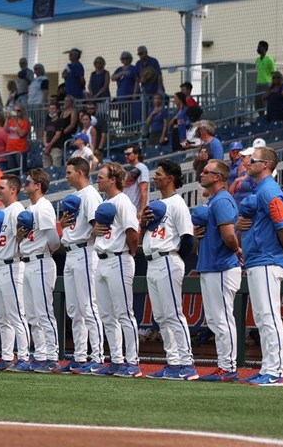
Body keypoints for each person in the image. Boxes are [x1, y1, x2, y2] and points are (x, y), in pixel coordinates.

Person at [236, 146, 283, 386]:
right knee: (262, 317)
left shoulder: (270, 190)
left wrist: (282, 248)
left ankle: (276, 372)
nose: (248, 164)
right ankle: (267, 368)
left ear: (266, 165)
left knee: (269, 316)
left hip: (268, 259)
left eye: (253, 161)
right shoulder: (260, 190)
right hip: (259, 259)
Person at [140, 161, 196, 380]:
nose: (155, 177)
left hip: (167, 260)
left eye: (159, 174)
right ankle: (173, 363)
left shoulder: (177, 203)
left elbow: (188, 239)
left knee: (173, 314)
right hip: (153, 262)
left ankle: (187, 363)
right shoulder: (158, 203)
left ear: (170, 178)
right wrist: (144, 225)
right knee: (161, 316)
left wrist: (174, 260)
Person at [194, 159, 242, 382]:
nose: (201, 174)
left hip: (222, 267)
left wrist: (238, 250)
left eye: (206, 171)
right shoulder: (214, 201)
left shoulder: (222, 199)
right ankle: (225, 365)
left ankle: (229, 367)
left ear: (217, 177)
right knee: (215, 320)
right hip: (212, 267)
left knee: (222, 319)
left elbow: (229, 235)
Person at [57, 158, 106, 373]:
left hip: (85, 251)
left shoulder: (90, 195)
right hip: (70, 252)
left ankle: (97, 356)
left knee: (88, 306)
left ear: (80, 172)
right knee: (74, 309)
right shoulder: (75, 196)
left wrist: (90, 237)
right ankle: (79, 356)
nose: (66, 176)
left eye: (69, 172)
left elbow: (99, 225)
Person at [93, 163, 141, 377]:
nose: (98, 179)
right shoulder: (106, 202)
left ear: (113, 179)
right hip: (102, 259)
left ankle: (132, 362)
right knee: (106, 314)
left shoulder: (123, 201)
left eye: (102, 176)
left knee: (124, 313)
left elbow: (133, 232)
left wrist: (129, 253)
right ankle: (117, 360)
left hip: (119, 259)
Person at [17, 168, 61, 372]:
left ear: (38, 185)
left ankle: (52, 356)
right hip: (28, 262)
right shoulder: (31, 207)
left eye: (28, 182)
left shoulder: (43, 207)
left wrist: (42, 251)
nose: (25, 185)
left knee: (44, 313)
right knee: (33, 314)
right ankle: (41, 355)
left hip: (41, 261)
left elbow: (54, 241)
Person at [0, 174, 27, 370]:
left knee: (17, 314)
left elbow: (23, 240)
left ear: (13, 190)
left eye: (2, 188)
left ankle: (24, 357)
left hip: (12, 265)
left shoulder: (18, 210)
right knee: (1, 316)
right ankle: (7, 357)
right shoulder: (1, 212)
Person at [121, 146, 150, 213]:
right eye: (126, 154)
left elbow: (144, 189)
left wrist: (142, 210)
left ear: (136, 154)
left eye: (128, 154)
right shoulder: (129, 169)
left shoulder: (142, 168)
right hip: (129, 209)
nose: (126, 156)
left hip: (136, 210)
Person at [254, 40, 276, 118]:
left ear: (265, 48)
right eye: (258, 47)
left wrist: (272, 85)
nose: (258, 48)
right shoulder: (257, 60)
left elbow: (274, 73)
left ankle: (268, 117)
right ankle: (261, 117)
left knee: (266, 102)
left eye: (259, 47)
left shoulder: (270, 59)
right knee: (258, 103)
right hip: (258, 84)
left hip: (267, 84)